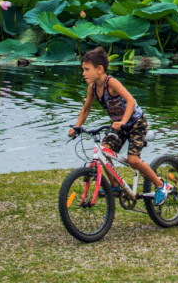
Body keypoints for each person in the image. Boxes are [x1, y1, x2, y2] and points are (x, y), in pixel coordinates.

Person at [69, 46, 166, 205]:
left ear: (99, 69)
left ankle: (161, 185)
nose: (83, 73)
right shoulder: (92, 88)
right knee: (104, 152)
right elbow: (86, 108)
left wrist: (122, 122)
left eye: (87, 69)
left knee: (133, 160)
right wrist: (77, 126)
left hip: (136, 124)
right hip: (118, 127)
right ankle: (114, 186)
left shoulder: (111, 83)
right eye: (83, 69)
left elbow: (130, 101)